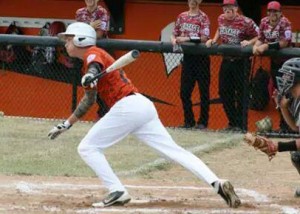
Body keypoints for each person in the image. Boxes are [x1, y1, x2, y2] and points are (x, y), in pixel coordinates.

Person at [48, 22, 241, 208]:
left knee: (87, 148)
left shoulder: (93, 54)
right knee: (174, 151)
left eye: (69, 39)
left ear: (81, 39)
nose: (65, 43)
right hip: (141, 107)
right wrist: (66, 124)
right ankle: (216, 182)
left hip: (127, 107)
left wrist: (91, 74)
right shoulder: (88, 63)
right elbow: (89, 100)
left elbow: (95, 65)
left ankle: (117, 191)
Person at [244, 58, 300, 197]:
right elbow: (295, 128)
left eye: (287, 75)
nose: (283, 79)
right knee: (297, 155)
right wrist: (283, 107)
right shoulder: (296, 98)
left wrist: (276, 146)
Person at [206, 0, 258, 132]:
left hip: (242, 62)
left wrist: (249, 41)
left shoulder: (246, 22)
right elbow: (219, 28)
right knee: (224, 92)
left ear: (236, 8)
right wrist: (214, 39)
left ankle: (240, 125)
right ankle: (233, 122)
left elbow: (259, 35)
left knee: (241, 93)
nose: (227, 10)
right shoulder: (221, 18)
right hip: (227, 60)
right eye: (225, 7)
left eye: (230, 7)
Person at [252, 1, 292, 132]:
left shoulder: (285, 23)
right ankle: (283, 126)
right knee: (277, 94)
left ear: (280, 13)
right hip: (274, 63)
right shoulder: (264, 22)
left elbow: (284, 43)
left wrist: (266, 46)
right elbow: (260, 38)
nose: (272, 14)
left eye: (275, 11)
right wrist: (255, 46)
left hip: (287, 64)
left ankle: (289, 127)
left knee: (288, 94)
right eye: (270, 11)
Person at [170, 0, 211, 129]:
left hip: (201, 58)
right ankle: (189, 122)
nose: (192, 3)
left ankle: (203, 122)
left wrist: (186, 39)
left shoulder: (203, 17)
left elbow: (205, 37)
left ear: (199, 2)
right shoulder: (182, 16)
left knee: (203, 92)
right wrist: (173, 40)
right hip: (188, 58)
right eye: (190, 1)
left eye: (195, 1)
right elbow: (174, 33)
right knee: (184, 92)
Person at [76, 0, 111, 120]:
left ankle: (103, 115)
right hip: (85, 53)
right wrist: (90, 27)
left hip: (101, 53)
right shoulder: (80, 13)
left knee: (102, 84)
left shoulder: (102, 12)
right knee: (89, 84)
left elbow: (99, 34)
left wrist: (84, 30)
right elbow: (77, 34)